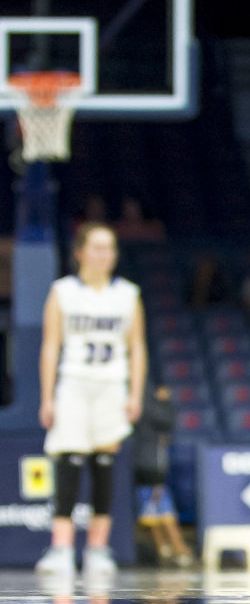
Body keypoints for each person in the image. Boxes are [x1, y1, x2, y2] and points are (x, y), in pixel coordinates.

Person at [36, 222, 146, 584]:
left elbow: (137, 348)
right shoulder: (63, 292)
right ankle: (62, 548)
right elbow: (51, 345)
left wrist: (135, 393)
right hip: (74, 383)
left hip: (111, 384)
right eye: (97, 247)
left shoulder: (128, 294)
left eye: (110, 248)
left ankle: (97, 549)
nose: (104, 255)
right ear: (80, 252)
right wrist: (47, 395)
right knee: (68, 460)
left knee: (104, 463)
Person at [132, 383, 194, 566]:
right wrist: (164, 402)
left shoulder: (136, 405)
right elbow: (167, 423)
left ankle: (166, 550)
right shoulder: (152, 408)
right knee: (163, 511)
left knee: (152, 511)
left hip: (141, 464)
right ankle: (179, 549)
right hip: (151, 466)